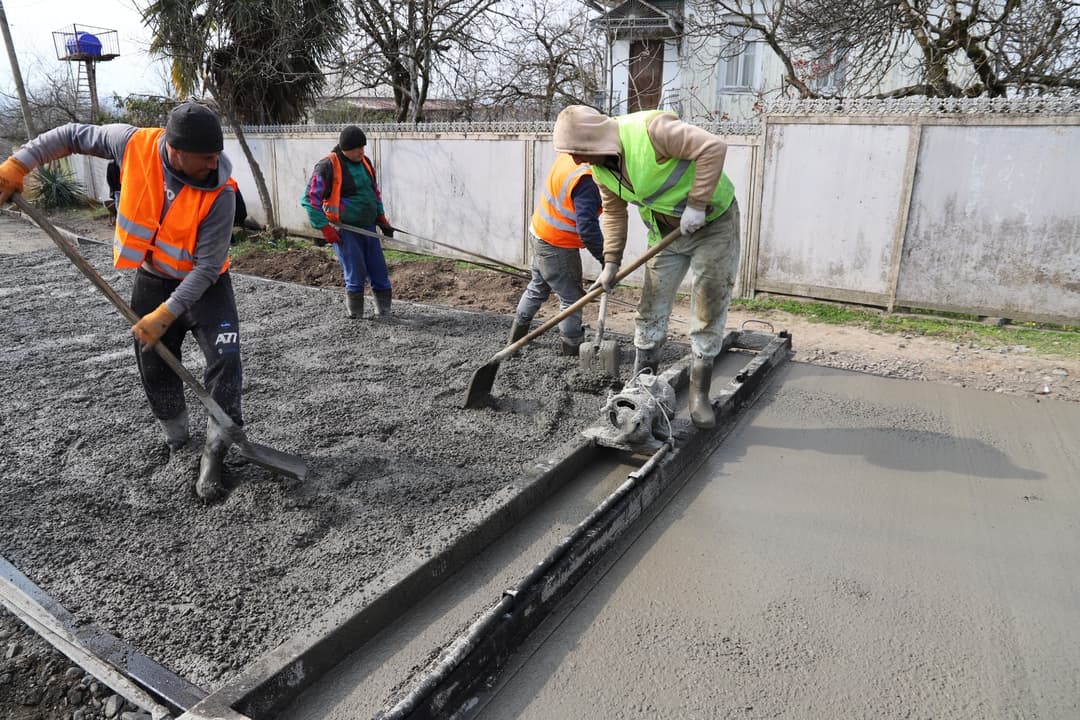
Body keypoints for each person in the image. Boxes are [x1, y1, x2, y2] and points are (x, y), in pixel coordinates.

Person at [0, 102, 244, 501]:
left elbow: (206, 268)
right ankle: (178, 442)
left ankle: (216, 451)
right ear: (175, 150)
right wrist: (17, 164)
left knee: (225, 359)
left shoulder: (221, 193)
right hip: (151, 277)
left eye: (217, 154)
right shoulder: (131, 144)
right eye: (206, 157)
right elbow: (71, 135)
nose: (214, 163)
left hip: (207, 286)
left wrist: (166, 314)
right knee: (153, 359)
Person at [552, 105, 740, 429]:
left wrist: (696, 205)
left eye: (579, 153)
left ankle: (699, 393)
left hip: (712, 224)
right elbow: (613, 212)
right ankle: (642, 385)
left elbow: (713, 147)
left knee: (708, 304)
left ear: (594, 140)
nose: (578, 161)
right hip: (665, 233)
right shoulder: (602, 170)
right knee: (651, 306)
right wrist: (610, 263)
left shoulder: (652, 131)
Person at [510, 152, 604, 355]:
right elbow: (587, 229)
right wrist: (607, 260)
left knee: (537, 287)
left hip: (540, 232)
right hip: (557, 244)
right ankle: (571, 350)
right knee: (572, 299)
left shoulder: (568, 157)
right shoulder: (586, 178)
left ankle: (515, 339)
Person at [301, 125, 394, 319]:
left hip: (368, 228)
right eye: (357, 148)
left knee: (379, 270)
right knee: (355, 272)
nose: (361, 151)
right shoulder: (327, 166)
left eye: (363, 147)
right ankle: (356, 315)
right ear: (345, 149)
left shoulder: (365, 162)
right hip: (345, 231)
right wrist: (325, 228)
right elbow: (310, 200)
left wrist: (381, 218)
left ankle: (384, 311)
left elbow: (373, 192)